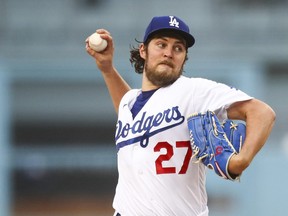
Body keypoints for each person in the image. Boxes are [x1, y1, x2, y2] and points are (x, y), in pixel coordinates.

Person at [86, 15, 275, 216]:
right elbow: (131, 113)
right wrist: (107, 70)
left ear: (184, 57)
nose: (169, 53)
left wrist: (241, 160)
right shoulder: (129, 101)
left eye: (178, 48)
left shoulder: (193, 91)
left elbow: (262, 112)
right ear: (143, 50)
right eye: (161, 44)